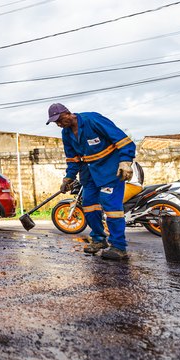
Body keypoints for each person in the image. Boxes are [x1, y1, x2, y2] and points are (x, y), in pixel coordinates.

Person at [46, 103, 136, 260]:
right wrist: (69, 177)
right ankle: (99, 239)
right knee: (88, 206)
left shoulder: (92, 120)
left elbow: (124, 141)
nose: (59, 124)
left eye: (60, 119)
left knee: (111, 207)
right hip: (89, 173)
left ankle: (119, 247)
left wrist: (125, 161)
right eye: (55, 122)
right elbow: (72, 159)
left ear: (68, 113)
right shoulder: (66, 134)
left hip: (110, 170)